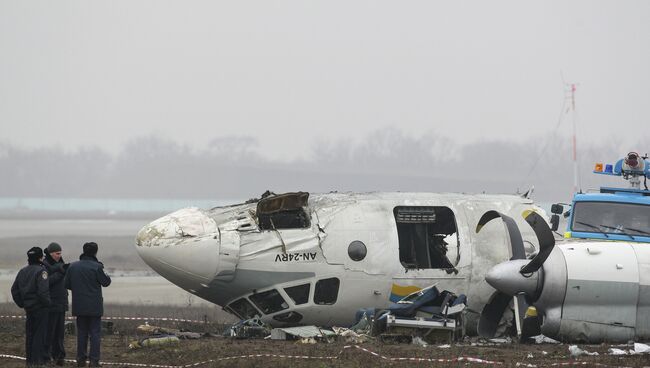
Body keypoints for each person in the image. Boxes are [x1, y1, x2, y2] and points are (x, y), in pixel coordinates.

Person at [65, 242, 111, 367]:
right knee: (95, 334)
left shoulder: (73, 267)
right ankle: (94, 361)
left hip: (79, 306)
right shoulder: (97, 267)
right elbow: (106, 282)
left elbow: (66, 284)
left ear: (84, 251)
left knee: (81, 333)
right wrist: (102, 268)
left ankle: (80, 360)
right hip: (94, 306)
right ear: (95, 252)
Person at [11, 246, 51, 367]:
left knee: (30, 335)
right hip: (40, 308)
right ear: (40, 258)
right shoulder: (41, 271)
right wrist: (47, 303)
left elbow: (14, 290)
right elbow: (43, 292)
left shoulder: (23, 271)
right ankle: (38, 362)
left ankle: (30, 362)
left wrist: (22, 303)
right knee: (40, 335)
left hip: (28, 308)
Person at [42, 242, 69, 366]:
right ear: (51, 253)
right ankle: (46, 356)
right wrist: (61, 273)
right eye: (57, 254)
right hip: (51, 304)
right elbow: (47, 282)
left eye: (60, 253)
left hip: (61, 303)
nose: (59, 256)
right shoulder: (44, 265)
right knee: (49, 332)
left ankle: (59, 356)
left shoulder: (60, 264)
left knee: (60, 333)